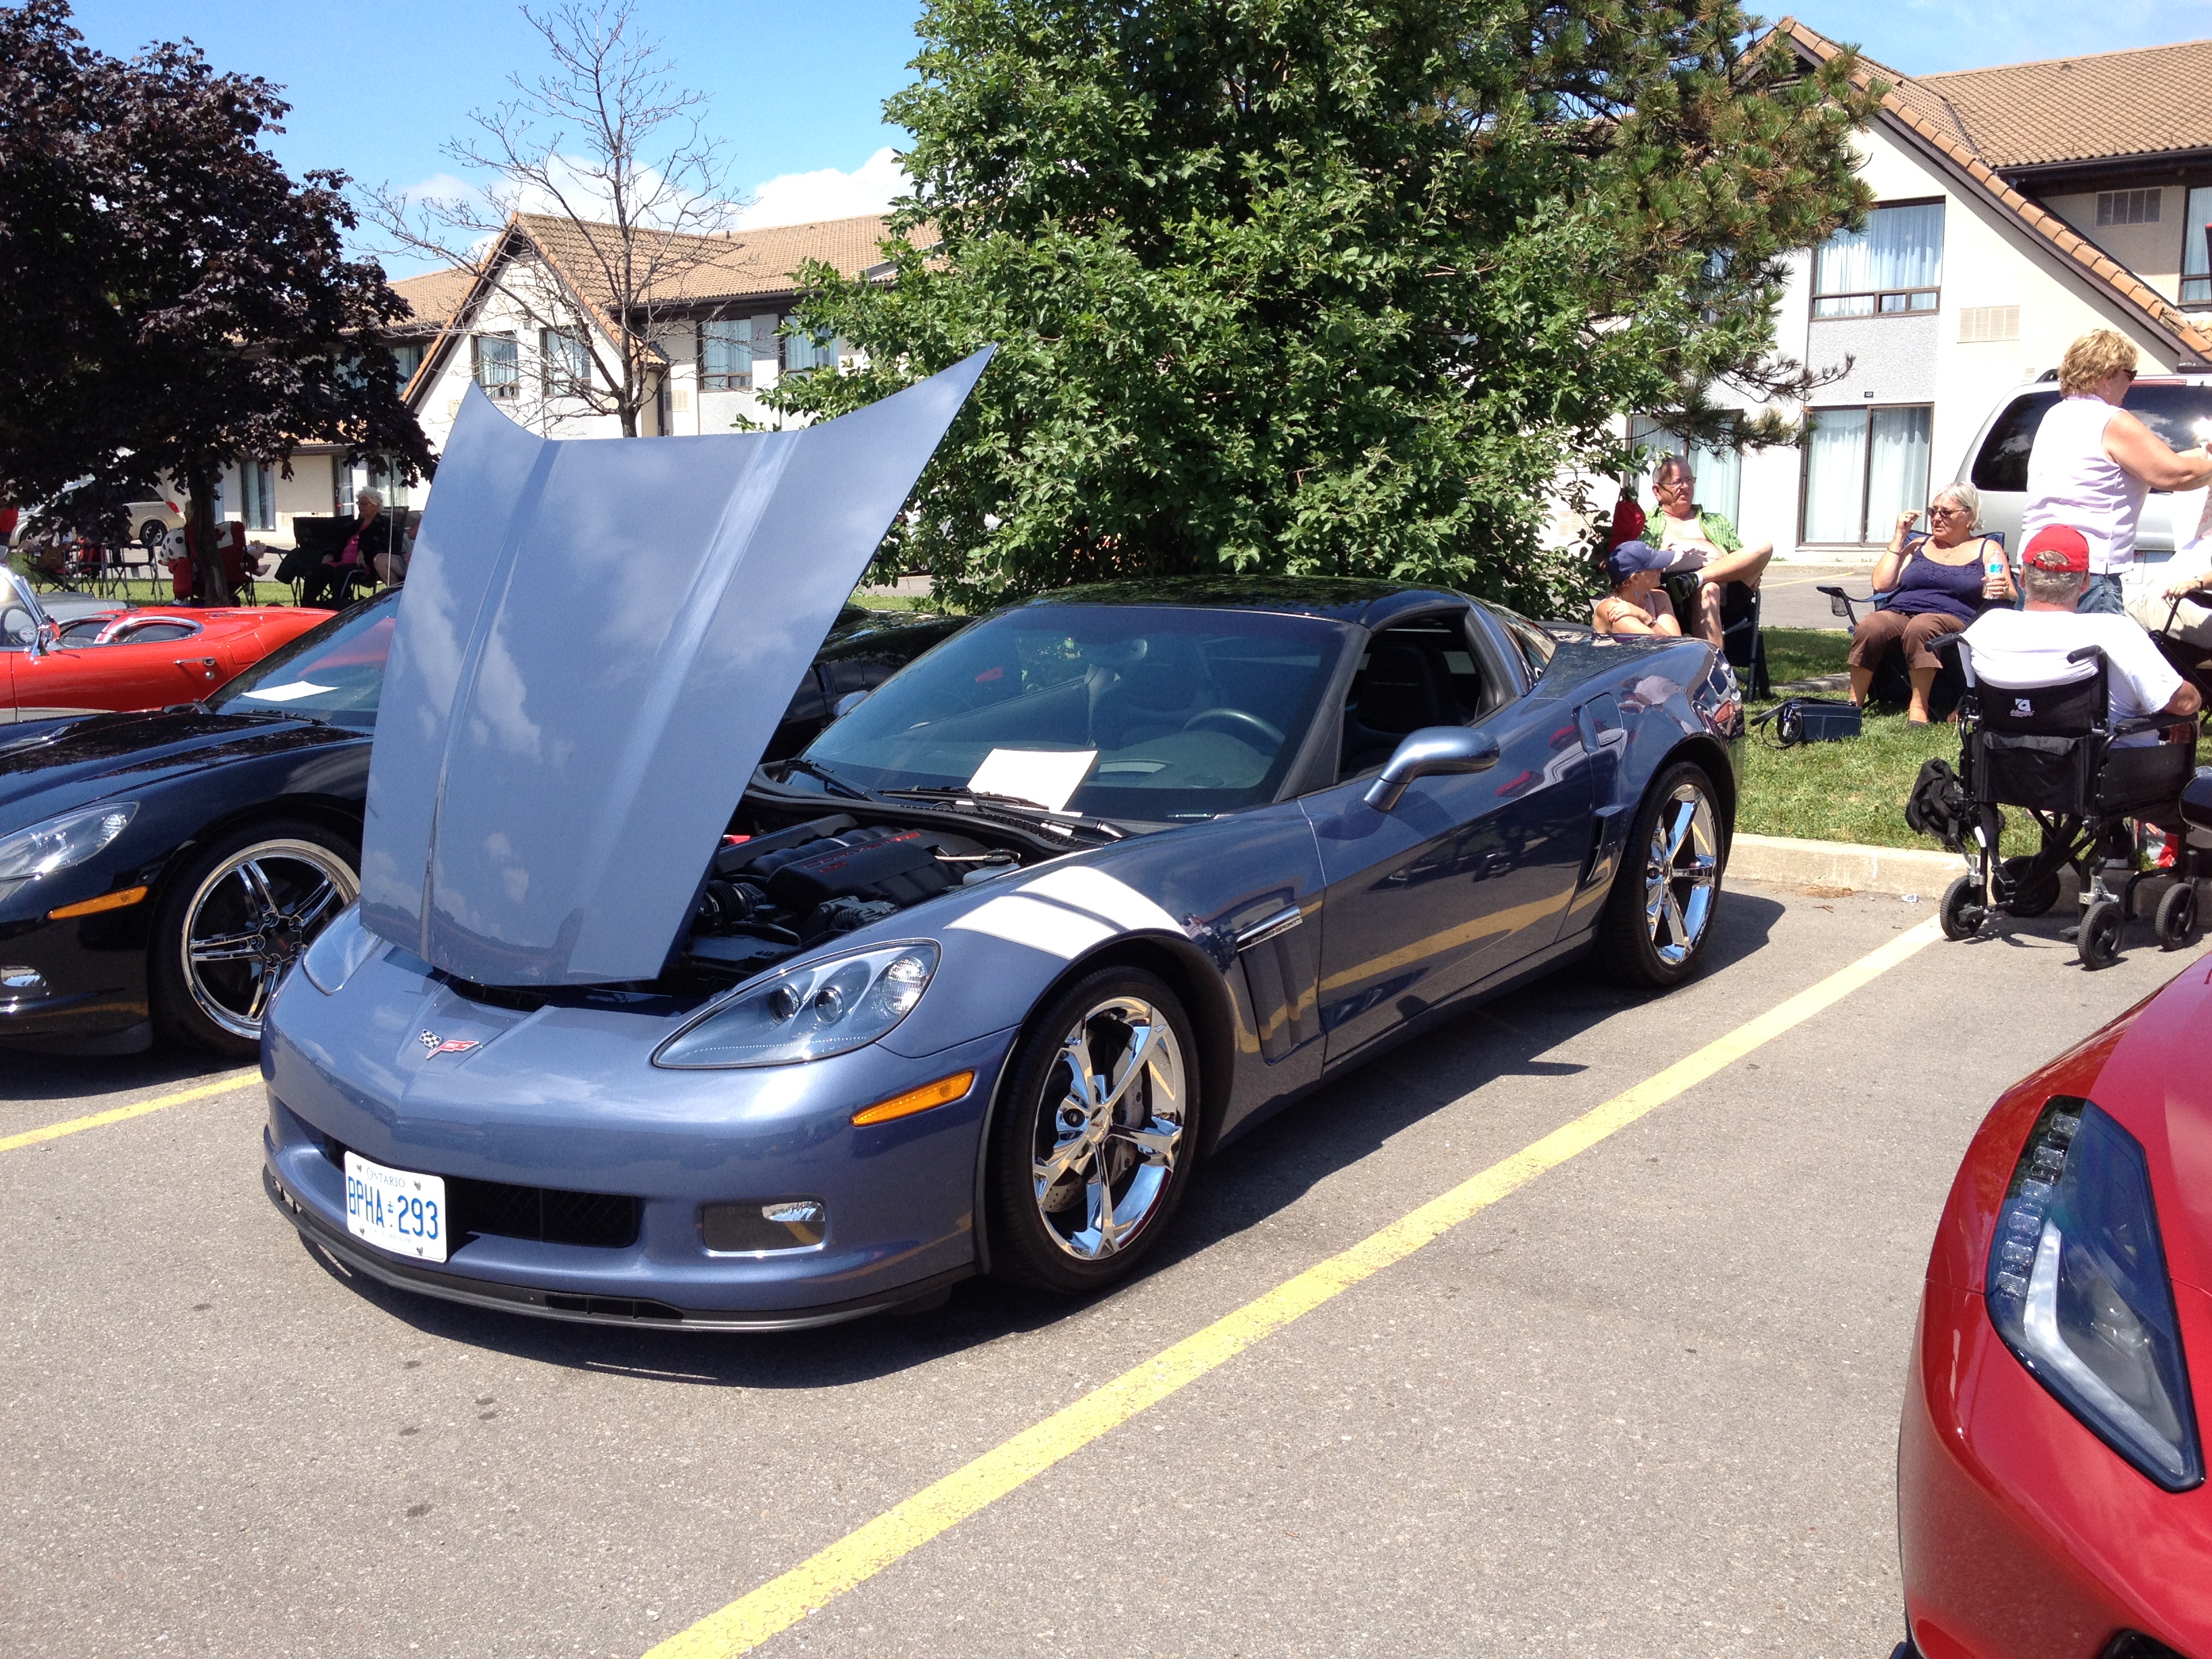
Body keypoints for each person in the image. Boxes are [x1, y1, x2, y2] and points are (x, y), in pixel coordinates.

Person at [2021, 329, 2212, 616]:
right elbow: (2175, 475)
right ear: (2109, 375)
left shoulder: (2055, 415)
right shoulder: (2111, 420)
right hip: (2088, 574)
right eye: (2130, 374)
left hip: (2038, 564)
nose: (2130, 384)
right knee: (2091, 646)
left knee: (2039, 644)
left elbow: (2149, 464)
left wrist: (2201, 457)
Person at [1960, 525, 2200, 748]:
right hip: (2114, 770)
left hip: (2006, 768)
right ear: (2086, 582)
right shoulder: (2115, 631)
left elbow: (1976, 700)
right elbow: (2184, 703)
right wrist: (2190, 705)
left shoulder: (1984, 628)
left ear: (2022, 578)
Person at [1849, 481, 2013, 722]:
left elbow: (2011, 594)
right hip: (1902, 612)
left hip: (1956, 619)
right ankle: (1853, 704)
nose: (1936, 518)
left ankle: (1919, 707)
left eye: (1946, 512)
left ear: (1969, 516)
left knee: (1923, 625)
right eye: (1933, 511)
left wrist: (2002, 589)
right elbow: (1882, 585)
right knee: (1871, 625)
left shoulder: (1987, 548)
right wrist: (1899, 537)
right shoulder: (1918, 544)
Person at [1647, 453, 1774, 647]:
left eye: (1689, 480)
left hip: (1727, 596)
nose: (1685, 487)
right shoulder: (1647, 522)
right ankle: (1713, 666)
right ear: (1658, 491)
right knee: (1709, 589)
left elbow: (1741, 558)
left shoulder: (1716, 521)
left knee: (1764, 546)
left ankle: (1695, 579)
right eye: (1677, 482)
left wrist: (1753, 571)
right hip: (1670, 598)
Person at [1591, 540, 1683, 636]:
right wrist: (1646, 618)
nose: (1661, 569)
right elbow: (1654, 643)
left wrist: (1644, 616)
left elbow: (1679, 644)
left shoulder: (1659, 598)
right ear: (1635, 578)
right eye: (1654, 567)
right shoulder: (1612, 609)